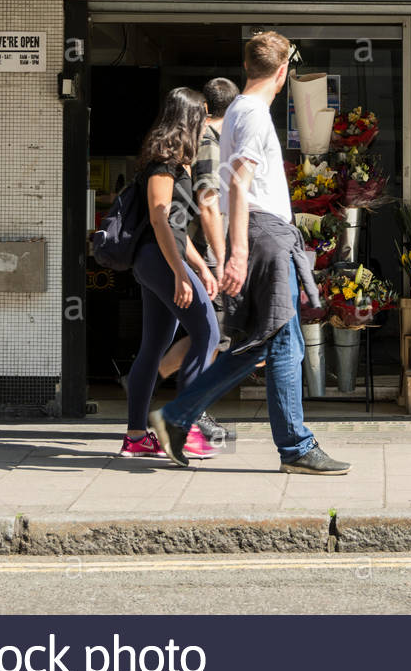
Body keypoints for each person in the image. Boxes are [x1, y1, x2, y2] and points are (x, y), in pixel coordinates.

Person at [150, 31, 351, 475]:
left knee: (265, 344)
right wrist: (237, 254)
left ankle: (178, 417)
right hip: (267, 235)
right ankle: (295, 446)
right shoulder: (256, 115)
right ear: (282, 74)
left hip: (263, 233)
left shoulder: (239, 109)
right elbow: (238, 183)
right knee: (283, 344)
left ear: (248, 69)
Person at [118, 87, 222, 460]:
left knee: (153, 346)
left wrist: (197, 266)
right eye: (204, 115)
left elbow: (176, 229)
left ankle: (135, 437)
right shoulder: (163, 160)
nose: (207, 122)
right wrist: (180, 272)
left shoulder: (176, 160)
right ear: (192, 117)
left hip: (162, 259)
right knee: (207, 332)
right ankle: (185, 426)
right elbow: (160, 218)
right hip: (159, 261)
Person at [157, 77, 239, 444]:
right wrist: (220, 258)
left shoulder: (207, 138)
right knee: (210, 333)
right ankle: (192, 412)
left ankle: (146, 379)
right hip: (203, 250)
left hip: (196, 250)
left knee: (209, 333)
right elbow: (208, 203)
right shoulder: (207, 139)